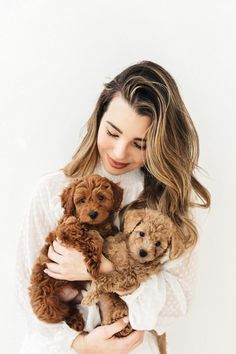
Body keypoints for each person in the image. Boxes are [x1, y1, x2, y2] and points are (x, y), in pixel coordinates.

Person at [16, 60, 210, 354]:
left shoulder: (168, 203)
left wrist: (102, 269)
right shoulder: (52, 191)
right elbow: (27, 292)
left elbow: (177, 302)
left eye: (140, 144)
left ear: (159, 145)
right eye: (113, 132)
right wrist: (80, 345)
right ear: (99, 117)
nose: (120, 152)